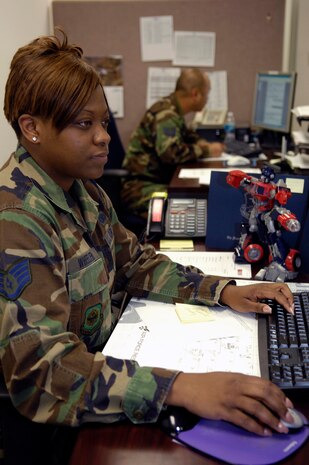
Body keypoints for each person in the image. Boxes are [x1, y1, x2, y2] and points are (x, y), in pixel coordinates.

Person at [0, 31, 296, 445]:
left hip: (108, 367)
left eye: (104, 122)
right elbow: (42, 373)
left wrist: (224, 290)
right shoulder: (16, 220)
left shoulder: (83, 191)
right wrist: (181, 388)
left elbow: (136, 262)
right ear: (31, 128)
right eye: (85, 124)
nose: (104, 136)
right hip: (56, 426)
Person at [121, 68, 225, 220]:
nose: (207, 99)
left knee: (198, 203)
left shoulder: (172, 109)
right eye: (206, 93)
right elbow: (171, 153)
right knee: (193, 207)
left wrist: (199, 142)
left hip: (155, 180)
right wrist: (207, 151)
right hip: (140, 188)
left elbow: (186, 134)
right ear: (195, 94)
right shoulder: (167, 114)